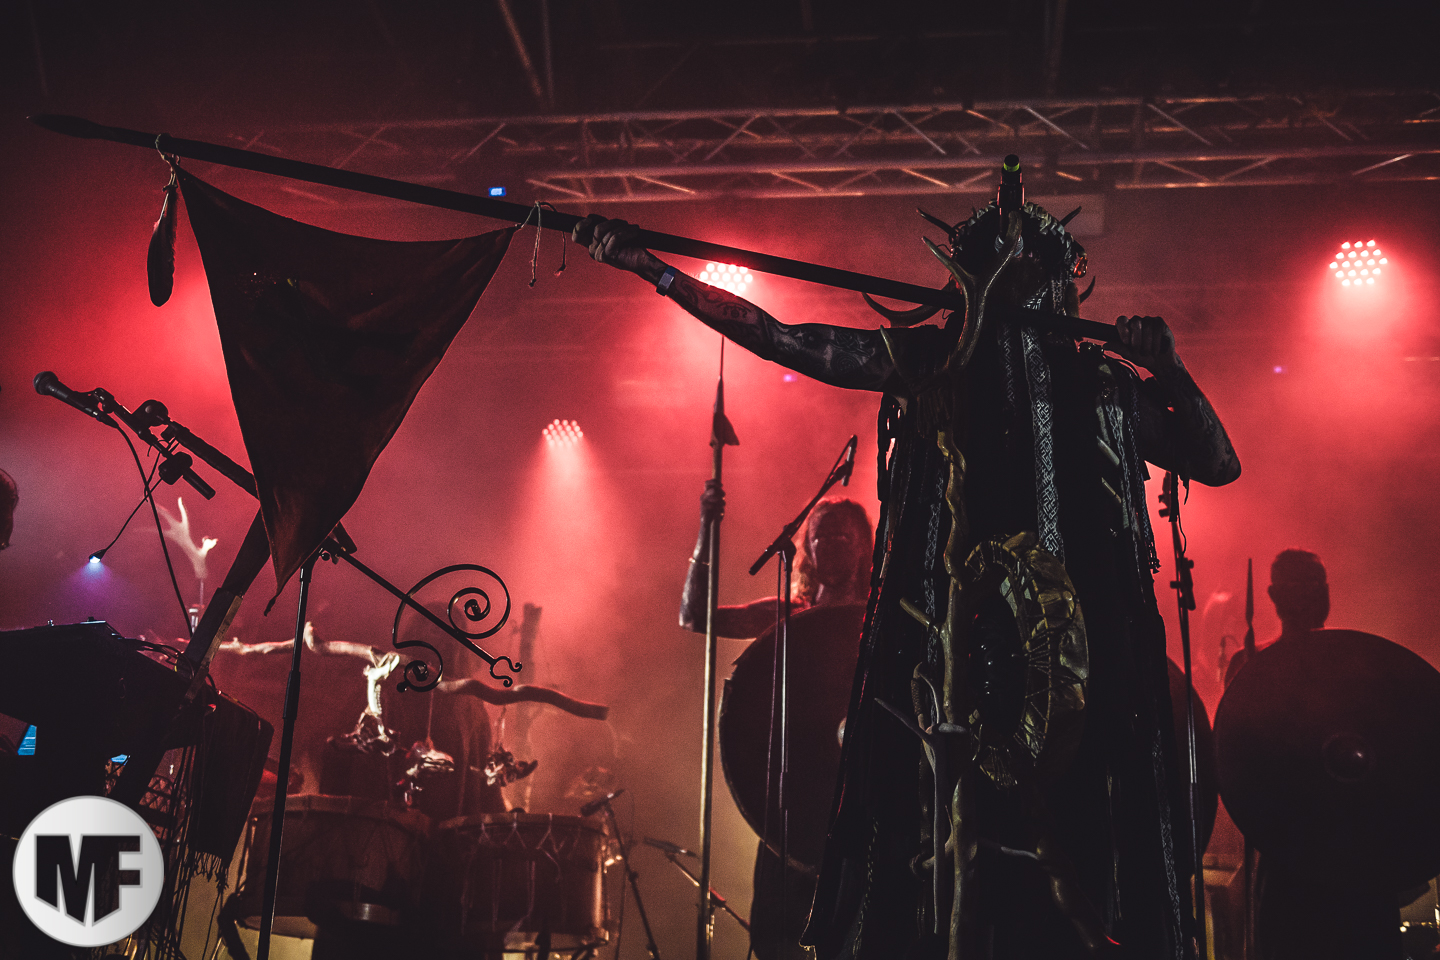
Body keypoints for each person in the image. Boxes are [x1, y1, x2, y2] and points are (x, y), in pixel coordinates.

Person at [575, 173, 1239, 959]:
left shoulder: (1103, 387)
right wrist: (655, 269)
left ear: (1062, 285)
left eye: (1033, 270)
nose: (1018, 283)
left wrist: (1170, 370)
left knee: (1081, 852)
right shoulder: (930, 361)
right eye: (999, 267)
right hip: (949, 652)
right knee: (943, 848)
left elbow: (1217, 461)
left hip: (1085, 661)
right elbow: (783, 338)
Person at [680, 489, 874, 960]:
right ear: (806, 548)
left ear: (864, 547)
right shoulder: (787, 615)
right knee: (778, 940)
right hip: (792, 805)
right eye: (820, 536)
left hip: (863, 801)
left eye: (842, 536)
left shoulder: (879, 617)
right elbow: (695, 615)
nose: (830, 545)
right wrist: (707, 530)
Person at [1223, 549, 1327, 687]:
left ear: (1326, 591)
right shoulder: (1246, 661)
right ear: (1274, 594)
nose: (1305, 594)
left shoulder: (1349, 654)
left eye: (1314, 585)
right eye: (1294, 586)